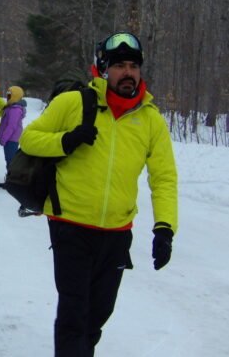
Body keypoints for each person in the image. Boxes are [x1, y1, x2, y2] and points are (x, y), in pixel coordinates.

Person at [19, 32, 178, 357]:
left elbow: (164, 178)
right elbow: (28, 139)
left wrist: (165, 227)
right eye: (119, 65)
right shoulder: (73, 103)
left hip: (117, 234)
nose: (128, 72)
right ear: (103, 69)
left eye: (133, 65)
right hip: (71, 226)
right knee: (74, 313)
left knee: (97, 316)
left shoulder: (151, 120)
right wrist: (66, 140)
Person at [0, 86, 27, 186]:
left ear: (15, 96)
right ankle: (11, 180)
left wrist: (4, 138)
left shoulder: (15, 109)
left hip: (11, 138)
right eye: (7, 95)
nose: (8, 97)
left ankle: (13, 182)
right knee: (9, 159)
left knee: (11, 160)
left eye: (10, 95)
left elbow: (11, 126)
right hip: (10, 138)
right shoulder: (10, 107)